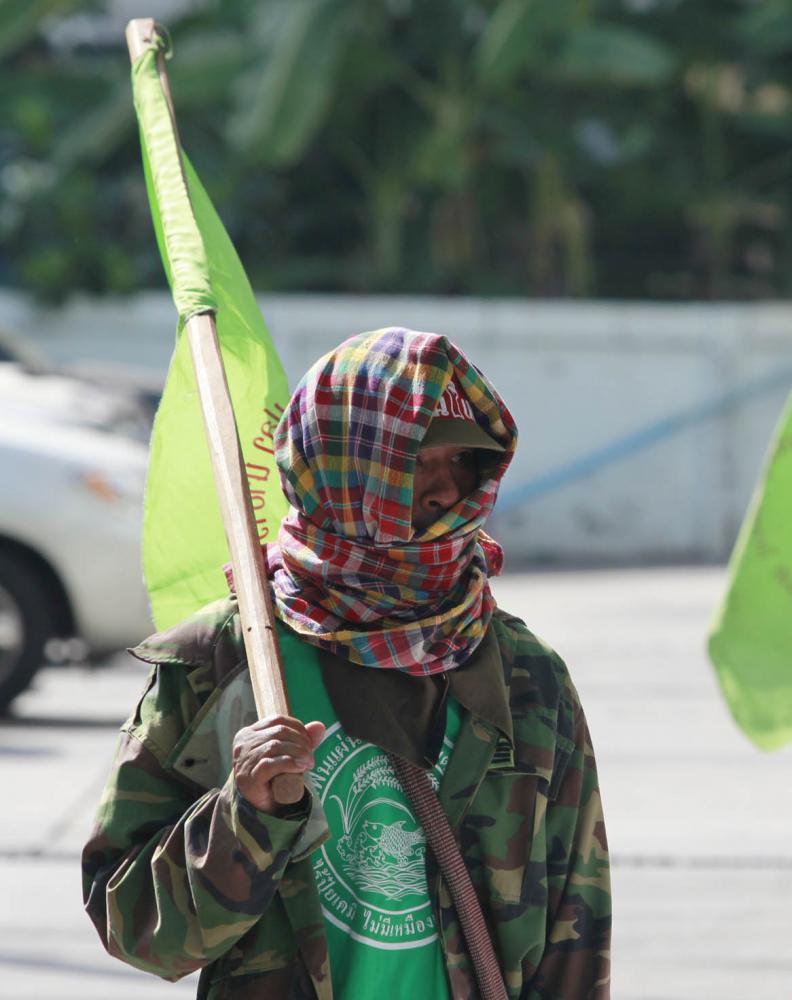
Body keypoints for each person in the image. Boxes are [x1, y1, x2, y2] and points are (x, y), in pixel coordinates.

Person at [82, 328, 611, 999]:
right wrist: (244, 816)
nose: (446, 492)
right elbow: (135, 931)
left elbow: (576, 927)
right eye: (418, 463)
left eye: (463, 464)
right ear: (341, 467)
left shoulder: (523, 676)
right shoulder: (225, 658)